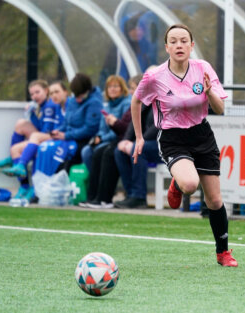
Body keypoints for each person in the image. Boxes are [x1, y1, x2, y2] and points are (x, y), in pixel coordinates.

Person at [131, 24, 237, 267]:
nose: (179, 45)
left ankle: (223, 253)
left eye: (184, 41)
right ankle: (179, 182)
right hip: (172, 137)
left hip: (202, 135)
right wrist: (138, 137)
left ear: (191, 45)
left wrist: (210, 93)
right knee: (190, 184)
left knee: (215, 200)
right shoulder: (154, 76)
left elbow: (220, 109)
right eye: (174, 41)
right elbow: (136, 102)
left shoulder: (203, 68)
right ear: (167, 47)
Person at [0, 79, 61, 200]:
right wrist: (32, 114)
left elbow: (45, 130)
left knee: (17, 149)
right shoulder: (41, 106)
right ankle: (17, 161)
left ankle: (24, 183)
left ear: (46, 91)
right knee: (21, 123)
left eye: (37, 92)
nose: (34, 96)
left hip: (53, 137)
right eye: (32, 94)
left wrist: (33, 116)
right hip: (45, 135)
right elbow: (40, 126)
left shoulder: (49, 106)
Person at [114, 74, 161, 209]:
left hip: (165, 145)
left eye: (133, 88)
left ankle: (139, 197)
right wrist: (126, 141)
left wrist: (140, 141)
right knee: (119, 151)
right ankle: (131, 194)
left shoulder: (161, 100)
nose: (130, 91)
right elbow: (133, 123)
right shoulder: (143, 102)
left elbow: (158, 125)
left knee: (139, 149)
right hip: (150, 143)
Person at [50, 73, 103, 173]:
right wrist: (59, 131)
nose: (78, 98)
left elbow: (90, 129)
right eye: (76, 95)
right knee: (48, 147)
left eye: (81, 94)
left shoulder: (94, 103)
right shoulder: (72, 101)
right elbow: (66, 122)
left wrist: (66, 135)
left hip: (84, 140)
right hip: (71, 137)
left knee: (62, 154)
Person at [80, 75, 130, 172]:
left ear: (122, 88)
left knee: (99, 150)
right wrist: (98, 136)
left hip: (117, 139)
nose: (112, 89)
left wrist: (102, 138)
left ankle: (100, 180)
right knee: (86, 151)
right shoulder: (106, 106)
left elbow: (120, 129)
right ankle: (94, 178)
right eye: (109, 87)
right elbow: (102, 129)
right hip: (105, 139)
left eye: (116, 86)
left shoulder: (126, 103)